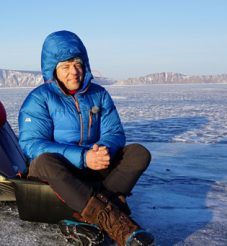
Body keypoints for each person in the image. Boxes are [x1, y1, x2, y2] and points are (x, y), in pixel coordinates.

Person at [18, 30, 154, 246]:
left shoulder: (98, 94)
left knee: (138, 153)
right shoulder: (39, 99)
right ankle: (118, 224)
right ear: (53, 70)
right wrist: (83, 157)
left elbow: (115, 132)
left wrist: (103, 150)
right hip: (58, 174)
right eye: (65, 66)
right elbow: (31, 145)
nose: (74, 71)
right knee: (44, 161)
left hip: (92, 170)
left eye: (77, 64)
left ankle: (83, 218)